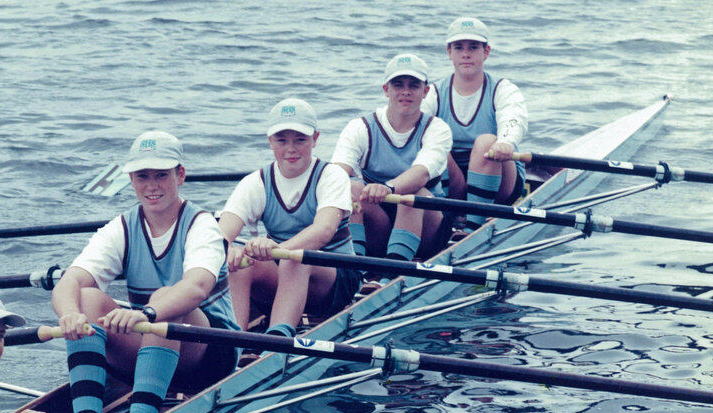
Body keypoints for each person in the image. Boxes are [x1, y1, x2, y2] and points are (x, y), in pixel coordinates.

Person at [52, 130, 239, 413]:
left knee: (165, 297)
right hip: (153, 348)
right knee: (85, 298)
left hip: (210, 355)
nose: (151, 186)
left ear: (180, 175)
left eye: (161, 175)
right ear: (130, 179)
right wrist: (70, 315)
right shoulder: (121, 228)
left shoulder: (202, 225)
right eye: (142, 176)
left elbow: (197, 287)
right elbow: (69, 280)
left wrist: (146, 313)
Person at [220, 98, 359, 338]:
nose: (291, 149)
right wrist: (228, 250)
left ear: (315, 139)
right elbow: (222, 234)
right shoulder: (256, 182)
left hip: (335, 281)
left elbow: (324, 230)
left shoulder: (332, 175)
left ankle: (278, 339)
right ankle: (233, 344)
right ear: (270, 142)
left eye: (300, 140)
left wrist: (278, 250)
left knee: (294, 259)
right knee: (239, 263)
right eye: (282, 140)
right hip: (281, 271)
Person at [331, 52, 452, 268]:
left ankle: (391, 273)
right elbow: (337, 170)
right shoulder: (360, 128)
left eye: (413, 85)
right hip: (380, 224)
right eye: (398, 85)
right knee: (350, 188)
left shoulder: (437, 129)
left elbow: (422, 172)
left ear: (425, 91)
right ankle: (354, 268)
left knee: (412, 193)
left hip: (427, 227)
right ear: (386, 89)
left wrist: (387, 188)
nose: (405, 92)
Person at [421, 17, 529, 232]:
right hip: (453, 180)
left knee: (486, 142)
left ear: (486, 52)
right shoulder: (432, 93)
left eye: (473, 47)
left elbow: (514, 117)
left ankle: (472, 228)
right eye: (459, 48)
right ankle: (449, 216)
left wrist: (506, 142)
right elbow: (413, 127)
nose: (466, 54)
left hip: (499, 175)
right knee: (430, 137)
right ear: (449, 52)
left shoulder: (502, 89)